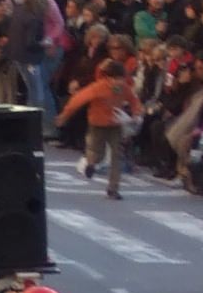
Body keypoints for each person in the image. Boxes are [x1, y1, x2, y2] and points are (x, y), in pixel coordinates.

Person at [57, 55, 141, 197]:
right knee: (97, 153)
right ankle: (91, 163)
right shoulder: (98, 87)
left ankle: (113, 188)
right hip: (97, 124)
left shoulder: (124, 88)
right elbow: (77, 100)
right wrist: (65, 115)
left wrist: (136, 113)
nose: (120, 82)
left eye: (121, 78)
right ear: (109, 78)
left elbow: (133, 100)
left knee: (116, 155)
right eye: (117, 78)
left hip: (115, 124)